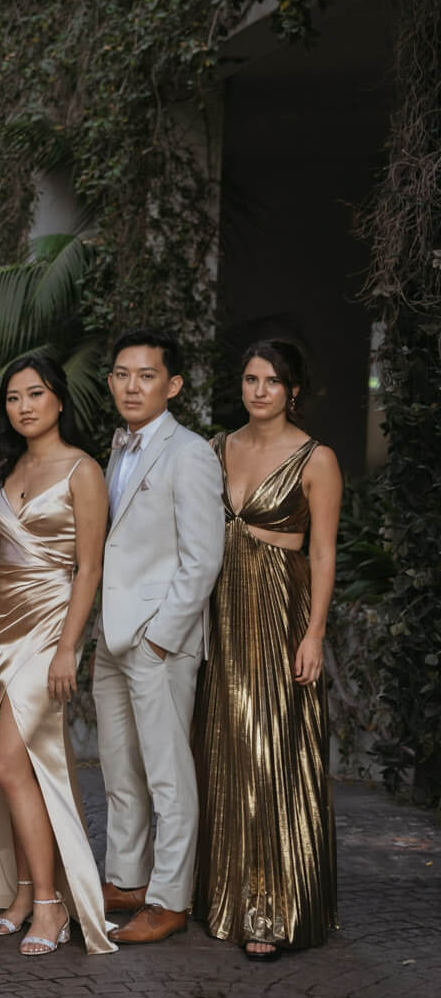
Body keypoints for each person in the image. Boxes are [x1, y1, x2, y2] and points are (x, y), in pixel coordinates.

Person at [0, 355, 114, 956]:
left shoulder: (83, 470)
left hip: (50, 630)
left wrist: (69, 647)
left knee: (6, 763)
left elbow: (89, 568)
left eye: (35, 394)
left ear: (59, 400)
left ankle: (52, 904)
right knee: (19, 769)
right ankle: (24, 893)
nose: (24, 406)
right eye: (13, 398)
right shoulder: (12, 468)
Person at [193, 340, 341, 961]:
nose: (259, 391)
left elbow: (324, 552)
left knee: (271, 749)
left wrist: (314, 634)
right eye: (251, 379)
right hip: (220, 611)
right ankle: (220, 894)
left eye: (272, 381)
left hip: (281, 612)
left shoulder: (317, 458)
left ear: (293, 390)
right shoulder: (214, 449)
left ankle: (272, 908)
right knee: (221, 747)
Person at [93, 328, 224, 946]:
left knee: (168, 775)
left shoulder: (189, 452)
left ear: (172, 386)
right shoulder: (117, 449)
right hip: (110, 636)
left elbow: (203, 558)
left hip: (157, 640)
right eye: (122, 374)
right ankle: (127, 879)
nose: (132, 386)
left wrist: (161, 637)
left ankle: (170, 898)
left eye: (146, 376)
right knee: (119, 768)